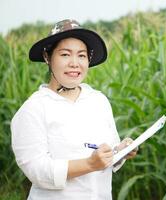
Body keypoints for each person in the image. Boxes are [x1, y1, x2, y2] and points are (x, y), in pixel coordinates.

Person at [11, 19, 137, 200]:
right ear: (48, 57)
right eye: (65, 54)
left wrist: (121, 151)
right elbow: (37, 171)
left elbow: (107, 153)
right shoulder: (33, 109)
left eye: (82, 55)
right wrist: (89, 164)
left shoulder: (98, 100)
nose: (74, 63)